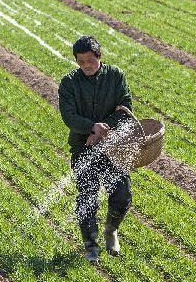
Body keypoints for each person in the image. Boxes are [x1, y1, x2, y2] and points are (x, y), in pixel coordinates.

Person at [58, 36, 132, 264]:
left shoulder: (115, 76)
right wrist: (91, 127)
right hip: (83, 147)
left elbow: (125, 108)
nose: (86, 66)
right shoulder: (69, 83)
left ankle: (111, 231)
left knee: (121, 194)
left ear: (99, 56)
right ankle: (91, 245)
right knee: (87, 198)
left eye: (90, 60)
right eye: (81, 62)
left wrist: (102, 130)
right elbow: (68, 116)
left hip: (113, 146)